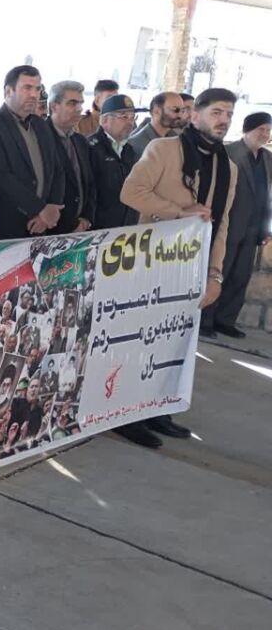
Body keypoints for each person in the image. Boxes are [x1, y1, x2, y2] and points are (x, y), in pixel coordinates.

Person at [119, 87, 238, 447]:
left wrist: (215, 275)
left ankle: (157, 410)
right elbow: (131, 192)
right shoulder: (164, 149)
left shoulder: (228, 167)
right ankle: (125, 415)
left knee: (173, 345)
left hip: (191, 271)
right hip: (150, 264)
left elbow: (221, 223)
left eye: (229, 114)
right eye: (217, 112)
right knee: (139, 341)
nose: (224, 120)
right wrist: (179, 213)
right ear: (195, 115)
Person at [0, 64, 64, 239]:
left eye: (37, 89)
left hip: (41, 226)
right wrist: (39, 209)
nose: (34, 94)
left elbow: (57, 169)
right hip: (4, 228)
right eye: (27, 88)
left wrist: (52, 207)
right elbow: (0, 176)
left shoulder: (41, 125)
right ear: (8, 91)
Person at [207, 112, 272, 338]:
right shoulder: (229, 152)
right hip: (229, 223)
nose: (265, 134)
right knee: (219, 272)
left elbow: (267, 195)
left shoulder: (267, 158)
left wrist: (265, 228)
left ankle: (225, 320)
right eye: (260, 129)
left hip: (253, 228)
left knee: (240, 276)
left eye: (268, 130)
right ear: (247, 130)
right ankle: (206, 320)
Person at [44, 80, 96, 233]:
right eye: (72, 103)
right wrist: (70, 224)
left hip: (81, 228)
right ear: (54, 106)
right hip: (50, 229)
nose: (79, 109)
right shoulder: (40, 138)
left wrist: (87, 218)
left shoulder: (80, 141)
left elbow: (90, 183)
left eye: (80, 103)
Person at [84, 94, 139, 229]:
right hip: (98, 228)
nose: (130, 123)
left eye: (132, 117)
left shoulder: (129, 150)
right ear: (104, 120)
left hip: (126, 227)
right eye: (124, 117)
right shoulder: (90, 148)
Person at [129, 91, 187, 158]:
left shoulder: (176, 138)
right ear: (156, 111)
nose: (180, 115)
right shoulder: (136, 144)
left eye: (182, 111)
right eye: (175, 110)